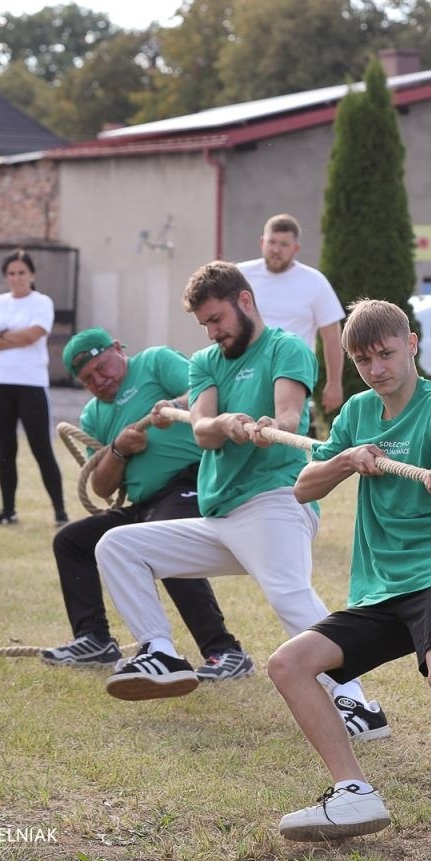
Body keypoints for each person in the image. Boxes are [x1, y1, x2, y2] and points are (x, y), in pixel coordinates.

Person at [94, 262, 383, 731]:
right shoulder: (206, 362)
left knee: (291, 597)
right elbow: (204, 429)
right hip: (221, 514)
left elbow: (290, 414)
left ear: (244, 301)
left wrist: (273, 426)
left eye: (216, 320)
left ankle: (356, 703)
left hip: (274, 501)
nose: (212, 332)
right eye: (205, 324)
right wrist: (225, 424)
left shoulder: (286, 348)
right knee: (119, 546)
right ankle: (159, 652)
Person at [270, 299, 431, 842]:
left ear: (411, 344)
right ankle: (353, 794)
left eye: (387, 354)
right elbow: (304, 487)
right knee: (289, 665)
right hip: (378, 586)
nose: (378, 369)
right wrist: (345, 460)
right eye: (364, 361)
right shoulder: (357, 413)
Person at [40, 329, 251, 680]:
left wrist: (175, 406)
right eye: (88, 378)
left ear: (119, 349)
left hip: (190, 481)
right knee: (72, 541)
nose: (99, 379)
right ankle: (93, 638)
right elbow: (102, 486)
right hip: (145, 502)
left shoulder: (155, 362)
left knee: (164, 542)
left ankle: (223, 650)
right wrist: (120, 451)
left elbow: (205, 393)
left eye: (102, 367)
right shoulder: (93, 414)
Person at [0, 249, 67, 526]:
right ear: (6, 277)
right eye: (11, 274)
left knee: (41, 448)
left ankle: (60, 511)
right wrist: (11, 337)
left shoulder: (41, 302)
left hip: (31, 383)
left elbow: (34, 334)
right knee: (6, 450)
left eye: (21, 273)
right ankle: (8, 510)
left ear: (32, 275)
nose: (17, 278)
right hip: (0, 381)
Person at [236, 214, 345, 415]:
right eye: (272, 242)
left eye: (284, 244)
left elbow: (331, 337)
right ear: (262, 242)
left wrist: (334, 383)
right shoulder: (239, 276)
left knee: (287, 429)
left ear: (295, 249)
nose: (276, 249)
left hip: (293, 370)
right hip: (246, 368)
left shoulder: (315, 282)